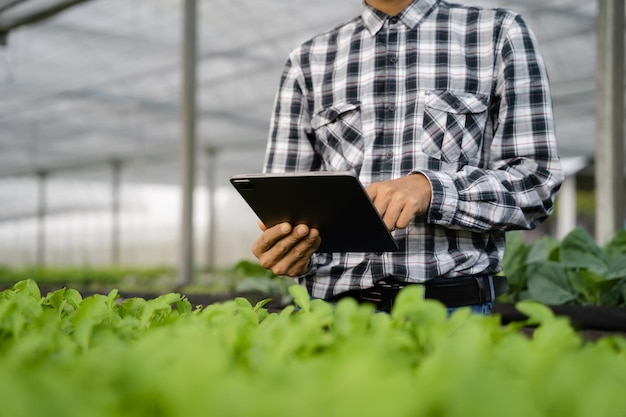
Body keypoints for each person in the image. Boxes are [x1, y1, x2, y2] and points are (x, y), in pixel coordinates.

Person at [251, 0, 563, 314]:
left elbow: (535, 183)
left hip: (450, 313)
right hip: (333, 314)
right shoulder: (308, 60)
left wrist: (430, 190)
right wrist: (291, 248)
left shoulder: (497, 34)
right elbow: (284, 205)